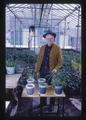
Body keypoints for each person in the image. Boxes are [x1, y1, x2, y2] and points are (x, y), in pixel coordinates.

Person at [35, 30, 62, 111]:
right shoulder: (42, 48)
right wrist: (37, 71)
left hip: (51, 72)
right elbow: (39, 59)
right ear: (45, 39)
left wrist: (55, 69)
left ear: (54, 39)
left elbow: (60, 62)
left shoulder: (57, 48)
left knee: (51, 88)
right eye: (48, 38)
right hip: (42, 70)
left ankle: (51, 105)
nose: (49, 40)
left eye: (51, 38)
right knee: (42, 87)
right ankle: (43, 103)